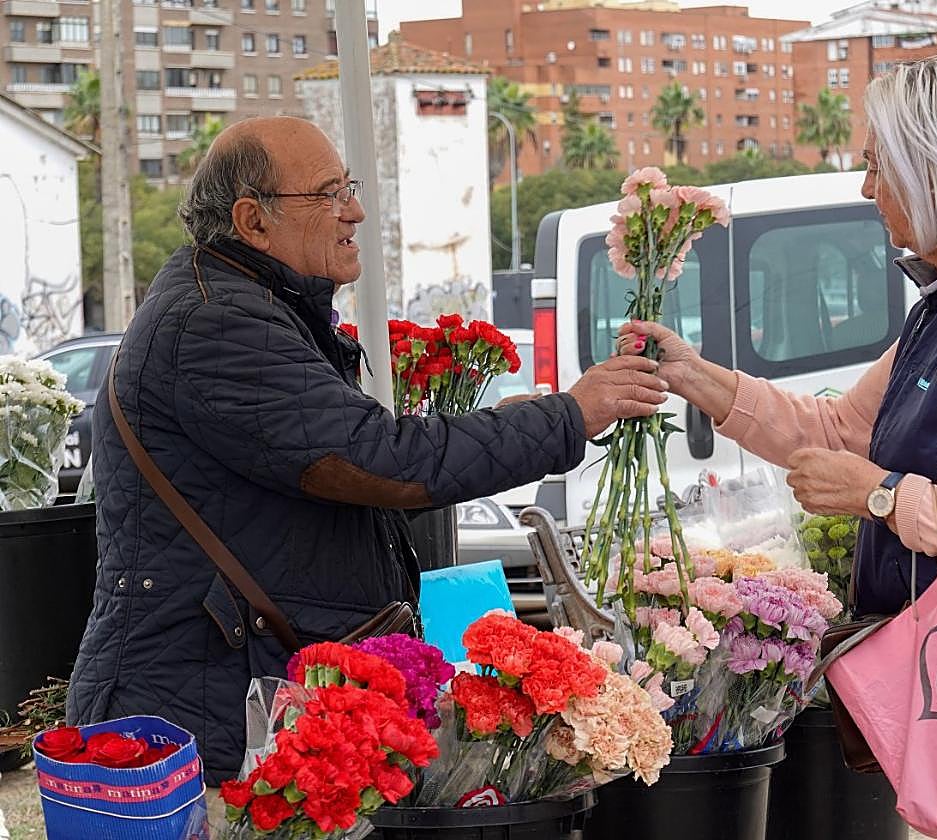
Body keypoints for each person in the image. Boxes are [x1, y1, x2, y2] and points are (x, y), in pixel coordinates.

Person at [620, 56, 937, 839]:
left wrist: (881, 495)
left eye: (876, 164)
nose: (867, 189)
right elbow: (836, 430)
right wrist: (699, 378)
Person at [66, 116, 668, 784]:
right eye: (328, 193)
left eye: (348, 187)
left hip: (225, 687)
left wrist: (508, 423)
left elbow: (327, 472)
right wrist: (566, 418)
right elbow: (376, 462)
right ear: (253, 220)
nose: (353, 210)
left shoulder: (252, 305)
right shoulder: (215, 321)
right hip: (203, 710)